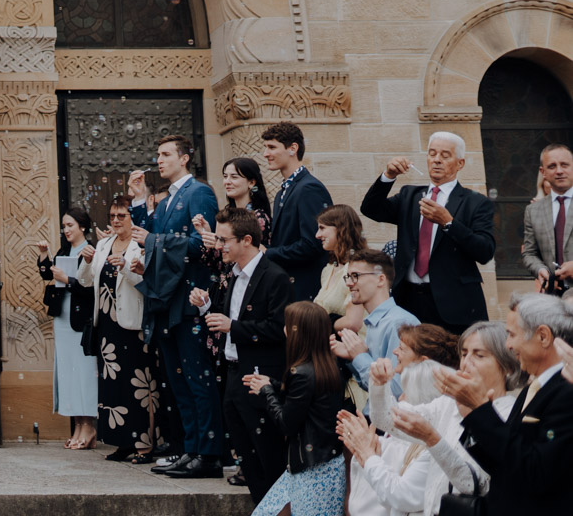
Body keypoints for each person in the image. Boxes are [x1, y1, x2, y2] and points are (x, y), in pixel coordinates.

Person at [132, 134, 222, 479]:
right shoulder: (168, 199)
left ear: (185, 158)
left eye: (166, 154)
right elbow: (148, 237)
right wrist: (141, 201)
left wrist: (154, 240)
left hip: (190, 298)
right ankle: (189, 448)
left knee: (198, 378)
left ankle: (209, 453)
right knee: (178, 381)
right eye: (157, 154)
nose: (159, 159)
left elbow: (204, 245)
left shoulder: (199, 192)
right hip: (166, 300)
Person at [192, 207, 291, 501]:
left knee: (267, 453)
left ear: (246, 239)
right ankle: (262, 506)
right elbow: (227, 317)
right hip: (234, 372)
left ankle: (278, 508)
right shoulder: (232, 275)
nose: (219, 246)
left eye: (225, 240)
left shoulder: (274, 276)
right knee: (245, 454)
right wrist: (205, 307)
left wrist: (233, 327)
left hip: (261, 374)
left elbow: (279, 327)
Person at [444, 292, 573, 515]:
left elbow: (538, 472)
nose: (508, 345)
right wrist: (474, 418)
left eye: (512, 335)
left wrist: (483, 413)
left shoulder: (566, 391)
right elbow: (507, 465)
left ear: (543, 336)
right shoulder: (532, 390)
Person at [361, 132, 496, 334]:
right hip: (408, 299)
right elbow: (371, 209)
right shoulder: (410, 196)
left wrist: (448, 223)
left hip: (454, 305)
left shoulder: (475, 202)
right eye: (432, 154)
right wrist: (388, 176)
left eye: (445, 155)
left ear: (460, 163)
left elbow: (485, 251)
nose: (437, 160)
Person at [385, 321, 520, 511]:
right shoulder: (448, 403)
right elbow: (388, 421)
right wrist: (379, 384)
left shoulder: (509, 414)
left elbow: (471, 484)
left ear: (508, 367)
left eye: (479, 355)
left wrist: (431, 439)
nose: (466, 362)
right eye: (464, 354)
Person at [340, 323, 459, 516]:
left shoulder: (432, 407)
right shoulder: (412, 394)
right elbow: (386, 422)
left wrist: (368, 450)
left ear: (422, 360)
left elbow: (401, 487)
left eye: (402, 348)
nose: (395, 351)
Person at [243, 301, 349, 516]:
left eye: (288, 324)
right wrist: (272, 384)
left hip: (312, 471)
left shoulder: (301, 373)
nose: (283, 328)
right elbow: (308, 403)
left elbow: (286, 424)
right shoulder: (327, 365)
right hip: (324, 463)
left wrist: (266, 392)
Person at [76, 195, 155, 461]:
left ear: (133, 218)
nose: (116, 220)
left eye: (122, 215)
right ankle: (122, 442)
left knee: (137, 383)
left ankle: (143, 444)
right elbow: (86, 282)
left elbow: (147, 281)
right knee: (113, 385)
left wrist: (125, 268)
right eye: (112, 216)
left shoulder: (141, 244)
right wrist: (86, 261)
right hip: (107, 325)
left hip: (132, 323)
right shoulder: (104, 243)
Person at [192, 157, 273, 365]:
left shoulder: (258, 218)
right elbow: (218, 264)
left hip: (246, 296)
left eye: (234, 176)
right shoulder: (225, 216)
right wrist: (208, 237)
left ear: (252, 182)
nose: (227, 181)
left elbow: (246, 259)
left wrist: (217, 243)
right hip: (223, 296)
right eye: (225, 176)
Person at [36, 207, 97, 449]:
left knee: (84, 373)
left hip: (81, 320)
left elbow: (90, 287)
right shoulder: (63, 251)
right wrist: (43, 256)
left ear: (82, 226)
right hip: (63, 318)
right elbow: (46, 275)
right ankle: (78, 425)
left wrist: (67, 280)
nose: (66, 230)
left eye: (70, 225)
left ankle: (89, 426)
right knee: (69, 373)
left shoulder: (90, 251)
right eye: (64, 226)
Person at [330, 249, 419, 408]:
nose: (349, 283)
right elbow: (372, 387)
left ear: (380, 279)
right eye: (348, 277)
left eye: (356, 276)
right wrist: (353, 357)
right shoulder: (375, 321)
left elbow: (397, 391)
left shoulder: (399, 323)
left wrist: (359, 357)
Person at [261, 122, 333, 302]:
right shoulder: (281, 193)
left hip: (306, 289)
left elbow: (313, 244)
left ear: (293, 148)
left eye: (272, 147)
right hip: (287, 286)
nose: (265, 154)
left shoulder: (309, 188)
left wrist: (268, 253)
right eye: (265, 148)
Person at [522, 142, 572, 297]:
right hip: (552, 297)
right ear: (543, 172)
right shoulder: (533, 210)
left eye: (564, 165)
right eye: (552, 166)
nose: (559, 171)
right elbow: (529, 253)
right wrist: (541, 270)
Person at [313, 204, 367, 333]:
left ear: (341, 229)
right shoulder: (328, 270)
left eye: (322, 228)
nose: (317, 235)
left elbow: (353, 323)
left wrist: (315, 324)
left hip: (352, 346)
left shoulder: (357, 269)